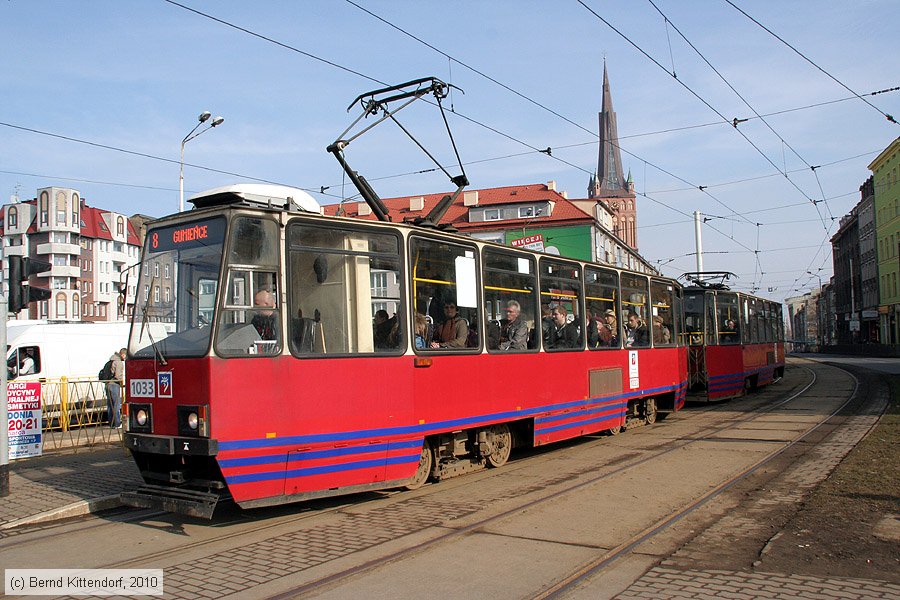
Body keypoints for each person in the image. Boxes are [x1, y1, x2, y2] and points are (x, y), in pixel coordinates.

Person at [106, 347, 126, 429]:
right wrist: (122, 381)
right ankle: (117, 424)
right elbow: (117, 376)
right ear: (123, 354)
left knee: (110, 405)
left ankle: (111, 423)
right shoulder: (119, 362)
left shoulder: (111, 360)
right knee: (116, 405)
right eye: (125, 356)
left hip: (107, 384)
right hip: (114, 384)